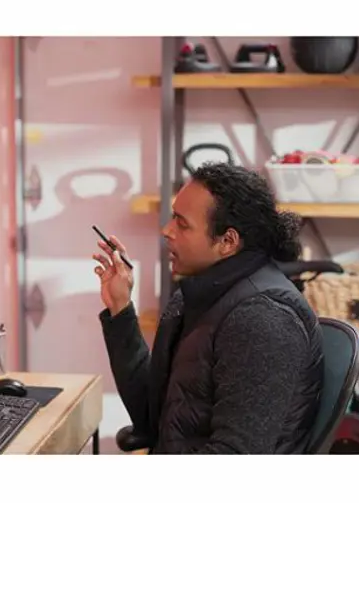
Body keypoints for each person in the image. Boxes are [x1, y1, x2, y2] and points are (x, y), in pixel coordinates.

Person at [93, 162, 324, 454]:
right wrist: (120, 306)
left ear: (227, 241)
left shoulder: (264, 319)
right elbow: (151, 416)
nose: (166, 230)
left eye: (182, 223)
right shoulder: (197, 297)